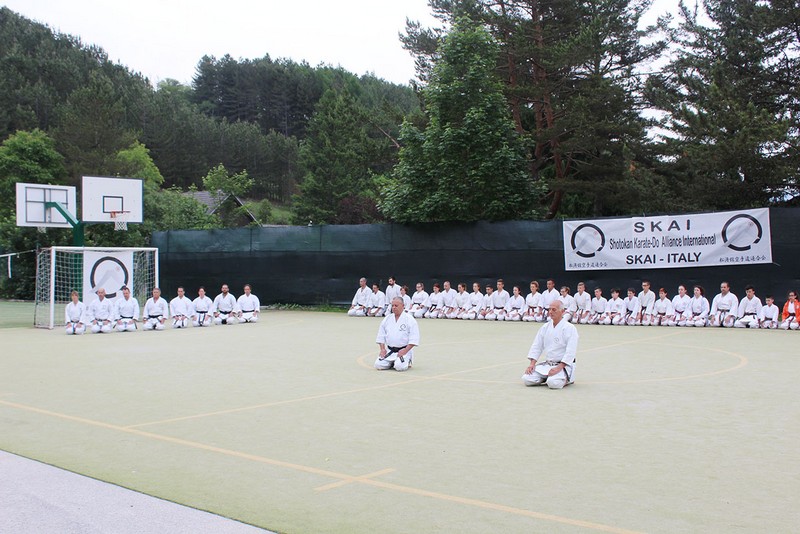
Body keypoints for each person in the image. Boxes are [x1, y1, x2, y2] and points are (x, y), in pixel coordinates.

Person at [521, 300, 578, 389]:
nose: (550, 312)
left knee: (553, 383)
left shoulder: (570, 328)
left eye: (554, 309)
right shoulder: (545, 327)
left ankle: (567, 378)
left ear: (562, 311)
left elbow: (571, 351)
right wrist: (532, 364)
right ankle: (546, 377)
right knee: (527, 379)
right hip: (548, 365)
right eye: (549, 309)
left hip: (563, 366)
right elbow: (537, 345)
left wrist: (559, 367)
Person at [374, 297, 420, 372]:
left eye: (396, 305)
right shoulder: (387, 319)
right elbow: (381, 335)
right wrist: (382, 349)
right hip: (390, 351)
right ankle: (392, 362)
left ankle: (407, 360)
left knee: (399, 367)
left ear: (403, 306)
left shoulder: (409, 319)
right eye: (392, 305)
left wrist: (405, 350)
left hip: (403, 351)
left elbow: (414, 338)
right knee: (378, 365)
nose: (394, 307)